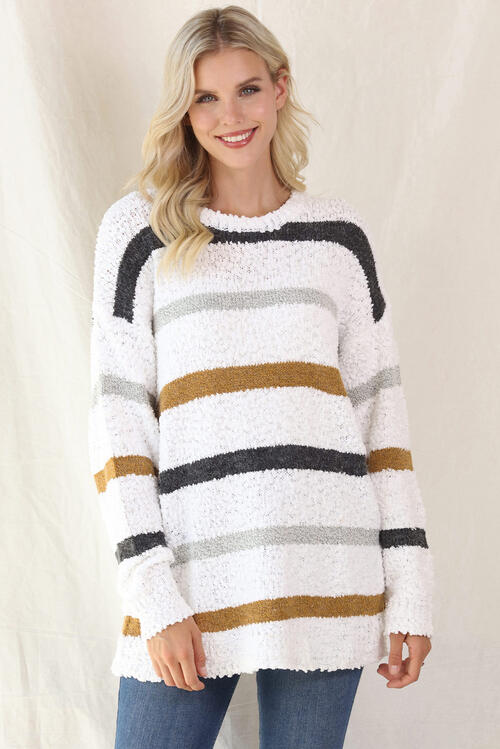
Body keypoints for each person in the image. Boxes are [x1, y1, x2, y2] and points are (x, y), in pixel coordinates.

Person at [88, 5, 434, 748]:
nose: (230, 116)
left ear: (280, 87)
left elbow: (382, 418)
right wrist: (153, 593)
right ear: (183, 111)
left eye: (247, 89)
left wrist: (410, 589)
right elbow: (118, 426)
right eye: (205, 98)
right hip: (192, 581)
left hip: (328, 575)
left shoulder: (339, 239)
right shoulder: (140, 233)